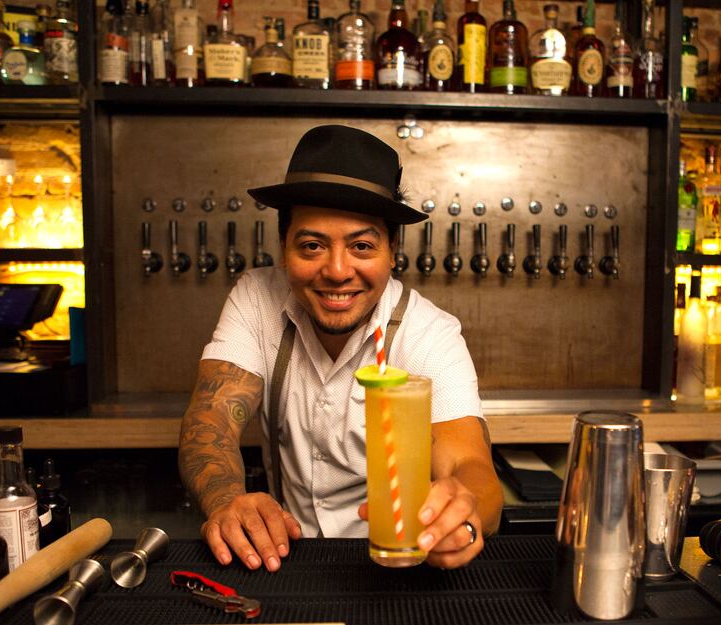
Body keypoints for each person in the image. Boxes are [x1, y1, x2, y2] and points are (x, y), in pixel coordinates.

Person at [178, 125, 502, 573]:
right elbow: (210, 421)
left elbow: (470, 465)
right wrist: (226, 502)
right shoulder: (256, 298)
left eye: (361, 246)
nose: (336, 270)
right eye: (312, 245)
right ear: (283, 248)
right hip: (286, 560)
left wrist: (463, 516)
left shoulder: (429, 334)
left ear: (392, 251)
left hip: (396, 566)